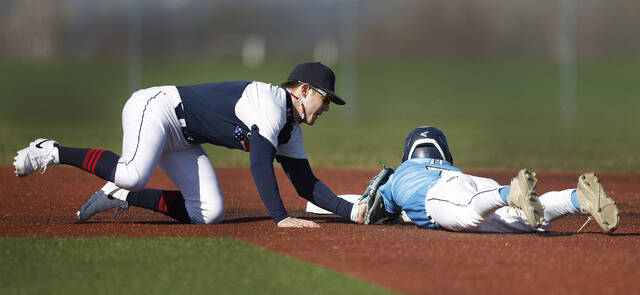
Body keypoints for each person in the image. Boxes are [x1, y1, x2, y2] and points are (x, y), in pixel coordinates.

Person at [13, 62, 363, 228]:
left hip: (183, 137)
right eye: (325, 98)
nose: (327, 106)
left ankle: (120, 196)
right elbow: (259, 164)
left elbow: (305, 183)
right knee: (133, 172)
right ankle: (52, 150)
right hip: (159, 108)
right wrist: (280, 218)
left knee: (208, 214)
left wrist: (352, 212)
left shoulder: (290, 129)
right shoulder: (271, 104)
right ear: (303, 90)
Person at [356, 126, 620, 233]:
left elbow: (379, 211)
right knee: (530, 220)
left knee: (470, 215)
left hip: (439, 195)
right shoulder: (451, 168)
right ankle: (577, 199)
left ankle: (510, 193)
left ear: (407, 154)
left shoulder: (401, 174)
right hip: (474, 183)